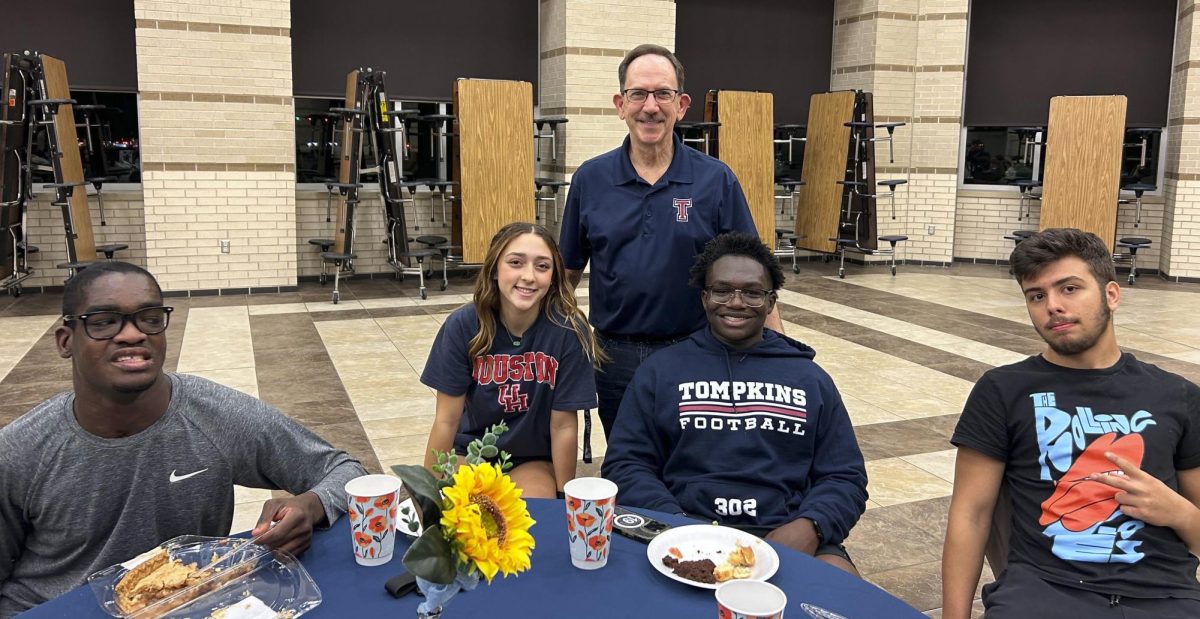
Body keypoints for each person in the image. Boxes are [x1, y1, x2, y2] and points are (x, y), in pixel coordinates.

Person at [0, 261, 366, 617]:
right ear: (66, 341)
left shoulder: (214, 415)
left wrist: (310, 504)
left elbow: (346, 471)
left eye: (150, 318)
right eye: (104, 322)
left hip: (185, 602)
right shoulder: (21, 450)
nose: (132, 334)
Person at [942, 228, 1200, 619]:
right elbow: (971, 515)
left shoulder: (1176, 395)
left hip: (1163, 594)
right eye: (1037, 296)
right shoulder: (1003, 390)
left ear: (1111, 294)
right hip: (1044, 591)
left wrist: (1177, 511)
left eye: (1070, 289)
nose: (1053, 306)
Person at [601, 233, 867, 575]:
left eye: (752, 292)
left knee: (840, 595)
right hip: (684, 528)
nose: (736, 302)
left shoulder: (809, 379)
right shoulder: (660, 371)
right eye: (722, 290)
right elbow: (627, 464)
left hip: (785, 530)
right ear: (704, 297)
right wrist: (674, 525)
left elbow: (845, 475)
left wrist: (811, 526)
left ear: (771, 302)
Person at [559, 43, 782, 443]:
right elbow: (568, 272)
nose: (650, 106)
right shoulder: (590, 180)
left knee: (694, 462)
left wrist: (779, 353)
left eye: (662, 94)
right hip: (614, 357)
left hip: (697, 350)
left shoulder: (715, 181)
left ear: (681, 105)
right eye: (638, 94)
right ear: (620, 104)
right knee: (628, 461)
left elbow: (753, 274)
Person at [421, 222, 601, 498]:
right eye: (516, 262)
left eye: (542, 266)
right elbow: (446, 419)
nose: (529, 276)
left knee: (533, 519)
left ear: (553, 276)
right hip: (470, 452)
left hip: (531, 459)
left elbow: (563, 425)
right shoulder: (463, 326)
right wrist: (428, 496)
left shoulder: (569, 331)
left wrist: (565, 498)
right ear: (494, 269)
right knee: (460, 519)